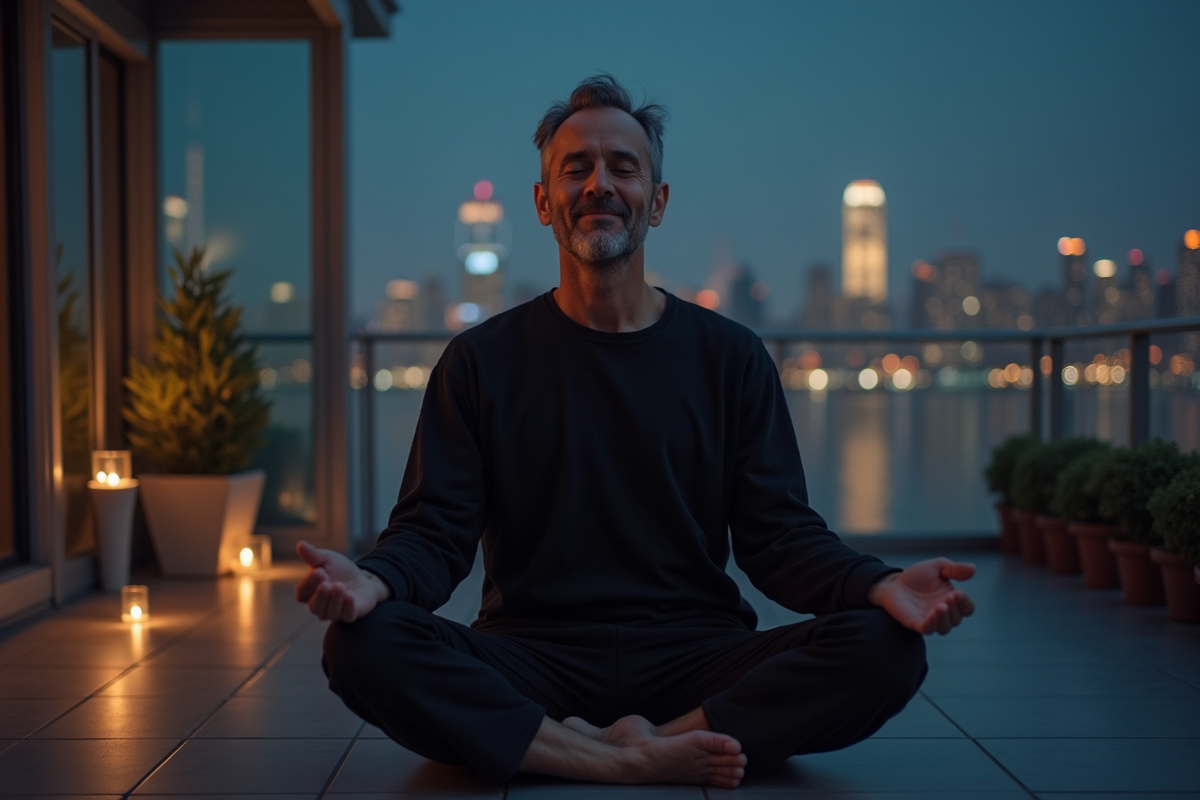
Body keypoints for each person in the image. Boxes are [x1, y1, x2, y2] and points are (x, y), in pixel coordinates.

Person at [296, 74, 975, 790]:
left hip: (696, 654)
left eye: (623, 167)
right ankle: (630, 758)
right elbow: (434, 532)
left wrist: (880, 585)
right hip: (533, 652)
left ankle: (633, 741)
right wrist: (373, 580)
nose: (599, 184)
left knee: (887, 648)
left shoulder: (730, 356)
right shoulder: (481, 362)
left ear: (657, 201)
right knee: (362, 647)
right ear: (542, 203)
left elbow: (780, 538)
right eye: (575, 168)